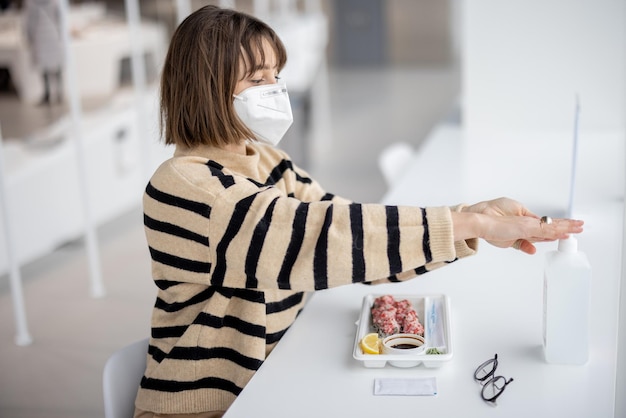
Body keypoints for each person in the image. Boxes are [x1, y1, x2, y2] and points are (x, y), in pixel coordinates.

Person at [134, 6, 583, 418]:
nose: (275, 90)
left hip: (276, 376)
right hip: (209, 405)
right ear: (206, 88)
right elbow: (311, 239)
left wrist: (473, 216)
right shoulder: (184, 185)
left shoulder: (266, 162)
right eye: (257, 79)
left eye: (276, 76)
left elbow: (351, 233)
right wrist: (470, 223)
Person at [25, 0, 64, 105]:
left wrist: (29, 36)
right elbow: (60, 18)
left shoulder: (31, 3)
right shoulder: (55, 2)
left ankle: (49, 93)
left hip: (40, 35)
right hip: (52, 33)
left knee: (45, 66)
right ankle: (58, 92)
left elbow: (30, 21)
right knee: (54, 65)